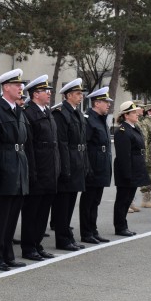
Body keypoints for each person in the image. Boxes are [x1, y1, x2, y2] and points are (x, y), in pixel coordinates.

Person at [0, 69, 30, 271]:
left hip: (19, 167)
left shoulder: (18, 111)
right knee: (1, 217)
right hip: (4, 167)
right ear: (5, 87)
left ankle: (8, 253)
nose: (21, 88)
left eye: (21, 85)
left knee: (13, 216)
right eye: (16, 85)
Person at [21, 75, 59, 261]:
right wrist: (33, 172)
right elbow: (30, 147)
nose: (49, 93)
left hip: (50, 170)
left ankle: (37, 244)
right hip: (37, 171)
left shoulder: (47, 112)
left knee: (43, 212)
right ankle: (28, 247)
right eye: (46, 91)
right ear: (36, 94)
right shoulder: (29, 113)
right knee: (32, 212)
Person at [51, 79, 88, 251]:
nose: (81, 97)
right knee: (62, 206)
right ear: (68, 95)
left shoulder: (78, 113)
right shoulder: (61, 113)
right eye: (78, 94)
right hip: (68, 165)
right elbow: (62, 144)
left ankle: (67, 235)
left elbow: (82, 142)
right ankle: (62, 238)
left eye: (81, 94)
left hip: (77, 163)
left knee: (71, 203)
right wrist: (65, 168)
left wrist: (85, 164)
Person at [80, 86, 113, 243]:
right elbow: (84, 146)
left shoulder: (101, 119)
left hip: (101, 166)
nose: (108, 105)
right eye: (106, 102)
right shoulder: (89, 119)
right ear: (97, 103)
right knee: (88, 201)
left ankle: (93, 230)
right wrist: (88, 167)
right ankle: (86, 232)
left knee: (96, 201)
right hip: (92, 167)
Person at [112, 101, 149, 236]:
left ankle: (123, 225)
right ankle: (120, 226)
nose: (137, 114)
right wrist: (127, 174)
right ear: (126, 115)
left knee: (128, 199)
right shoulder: (122, 131)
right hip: (127, 170)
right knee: (123, 199)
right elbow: (123, 155)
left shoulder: (134, 128)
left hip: (135, 168)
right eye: (134, 112)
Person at [138, 103, 151, 209]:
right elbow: (145, 140)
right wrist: (145, 155)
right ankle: (145, 199)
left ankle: (147, 198)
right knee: (148, 175)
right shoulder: (146, 123)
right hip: (150, 153)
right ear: (149, 111)